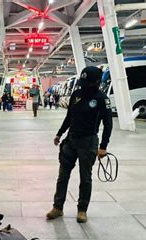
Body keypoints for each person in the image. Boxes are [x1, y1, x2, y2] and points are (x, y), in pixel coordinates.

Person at [46, 66, 113, 223]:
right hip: (71, 140)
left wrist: (103, 146)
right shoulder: (76, 94)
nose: (84, 86)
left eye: (87, 83)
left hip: (88, 142)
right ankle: (57, 207)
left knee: (85, 178)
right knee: (63, 176)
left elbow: (108, 124)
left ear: (97, 82)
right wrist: (59, 133)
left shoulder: (102, 99)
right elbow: (69, 117)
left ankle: (82, 210)